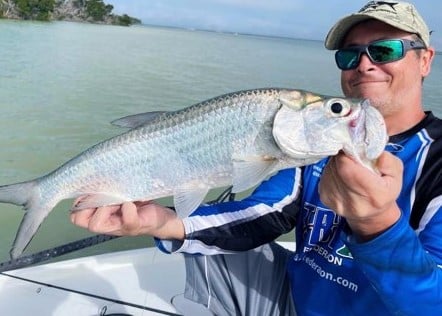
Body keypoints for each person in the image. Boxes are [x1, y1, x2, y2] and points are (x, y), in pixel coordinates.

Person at [70, 1, 442, 315]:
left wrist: (377, 225)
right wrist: (163, 222)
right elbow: (264, 212)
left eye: (385, 50)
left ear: (425, 60)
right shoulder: (321, 143)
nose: (363, 65)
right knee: (206, 251)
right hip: (295, 299)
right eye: (349, 55)